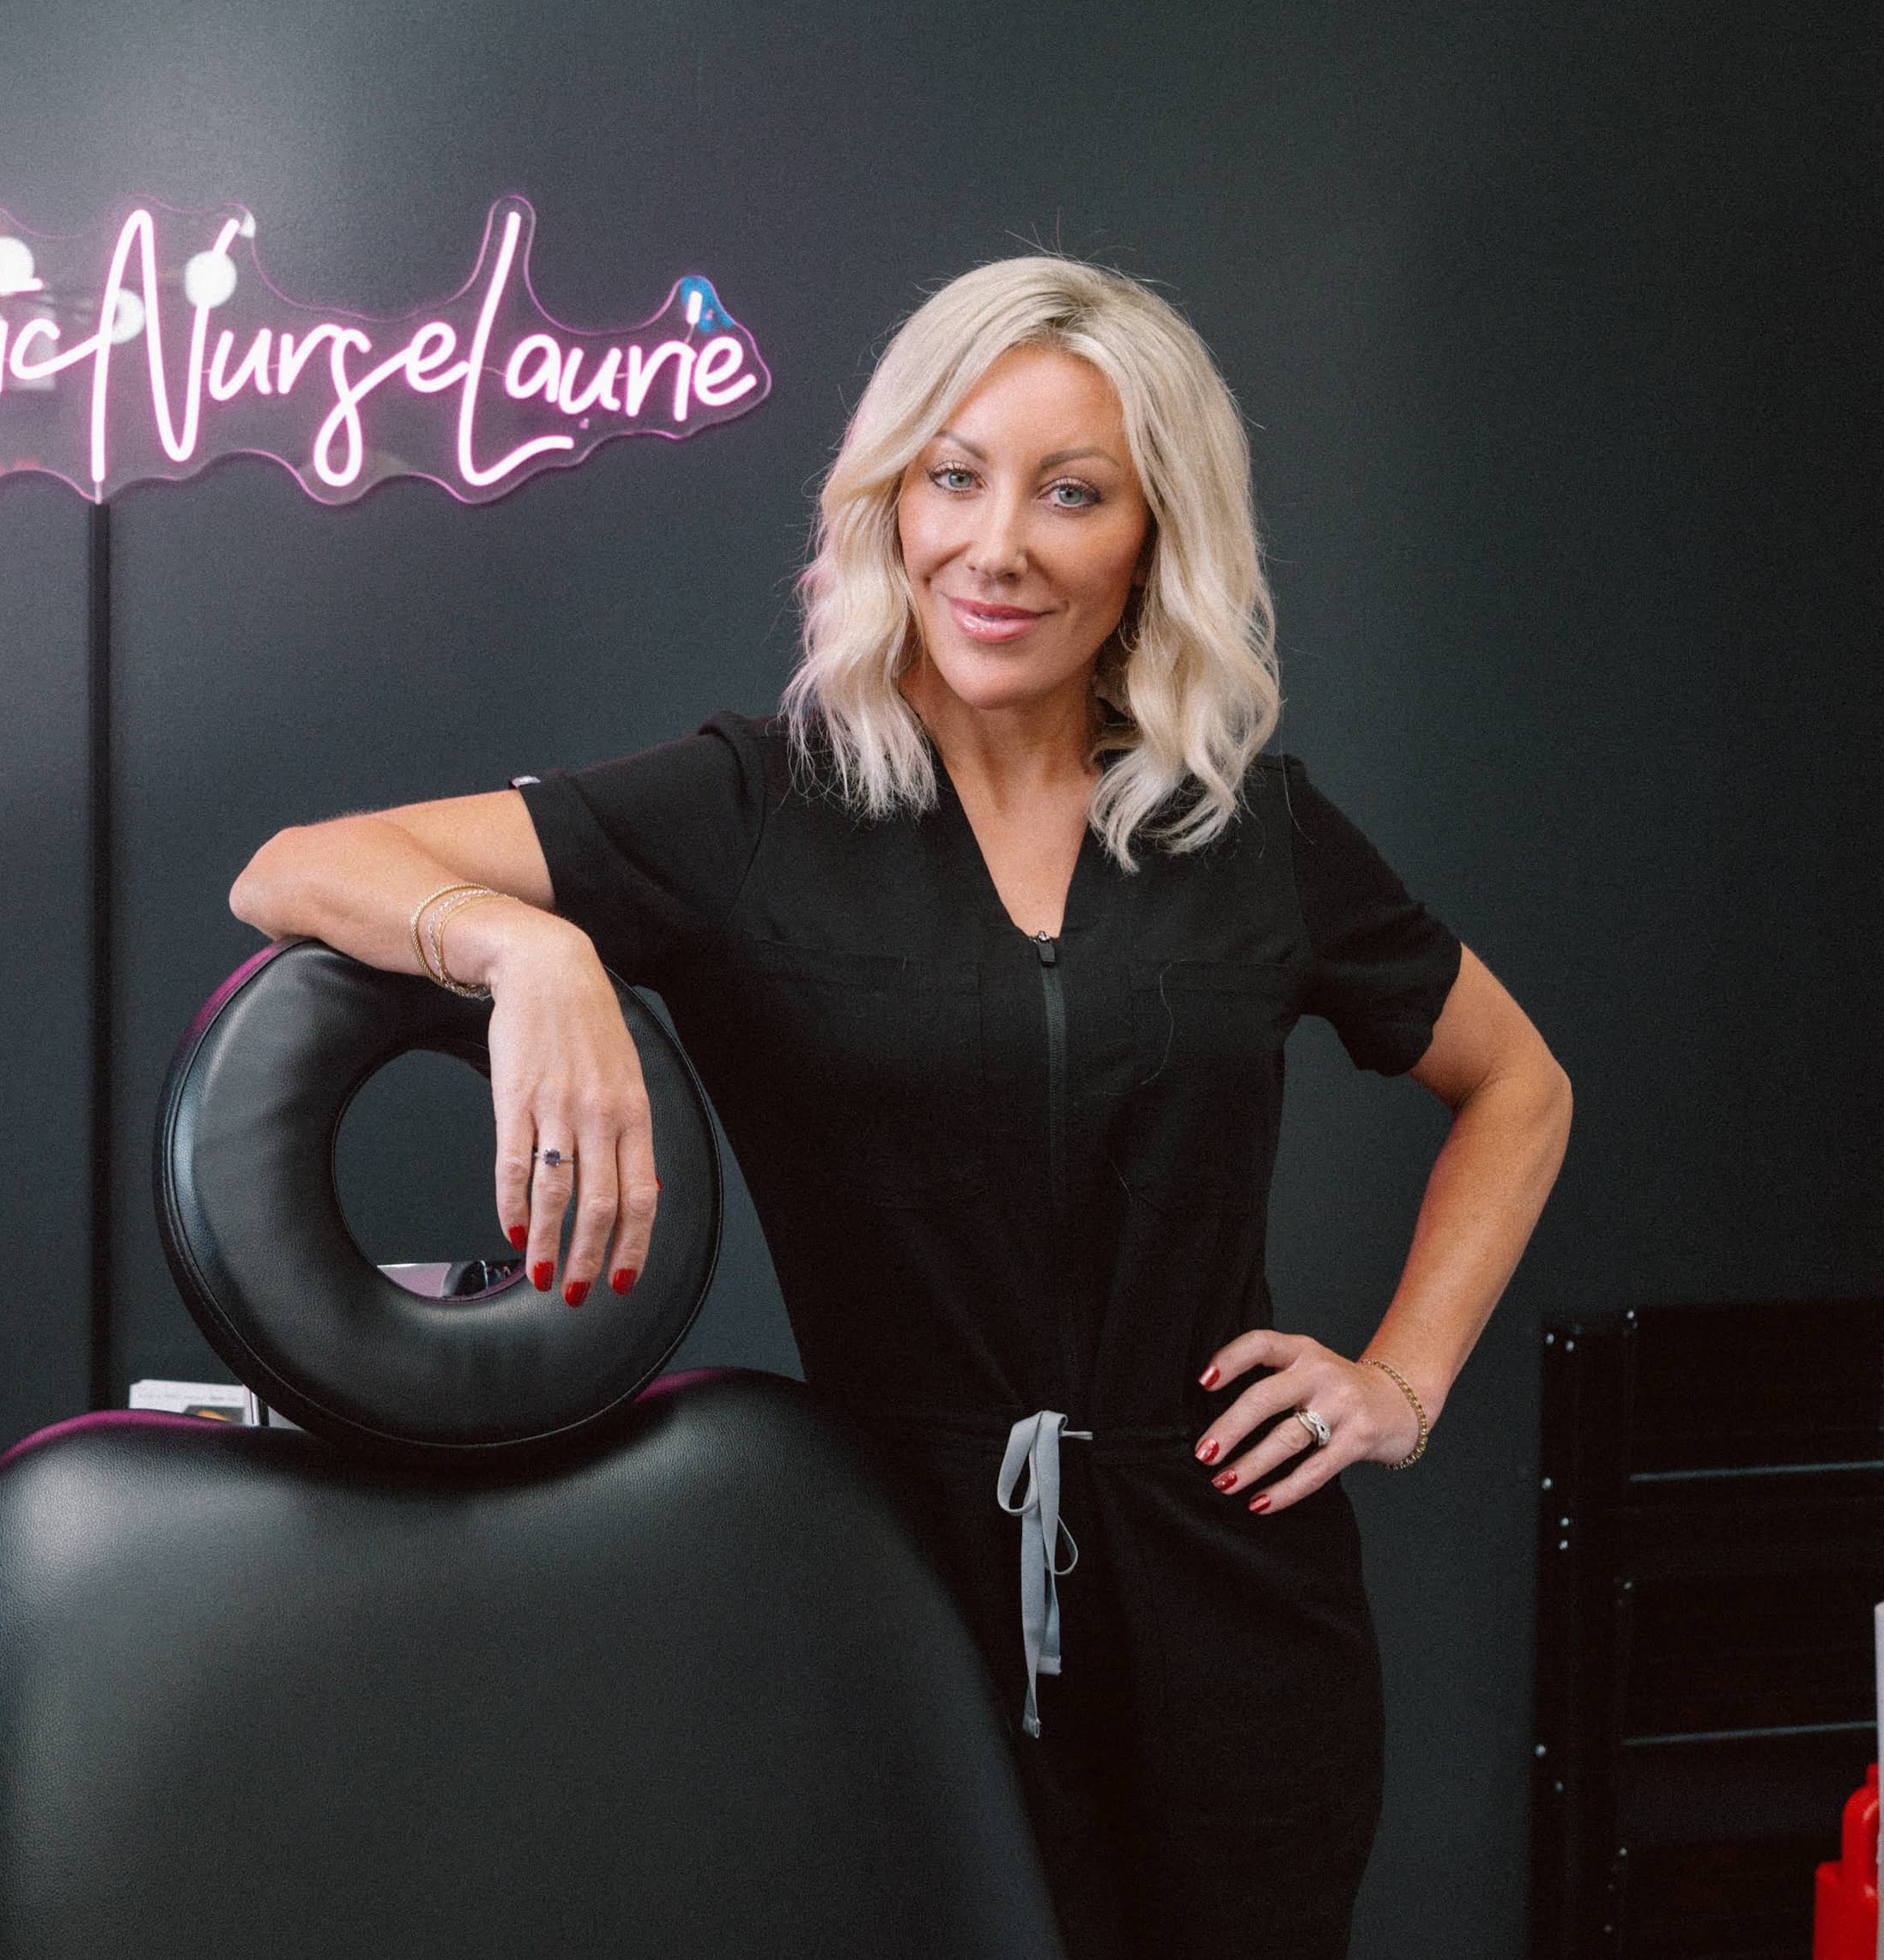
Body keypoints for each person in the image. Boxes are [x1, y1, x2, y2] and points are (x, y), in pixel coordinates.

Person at [224, 255, 1572, 1958]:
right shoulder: (755, 809)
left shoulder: (1251, 831)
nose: (996, 543)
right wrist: (522, 949)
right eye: (955, 474)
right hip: (899, 1605)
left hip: (1241, 1614)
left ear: (1154, 535)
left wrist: (1402, 1379)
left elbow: (1518, 1082)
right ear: (890, 500)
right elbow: (294, 869)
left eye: (1070, 492)